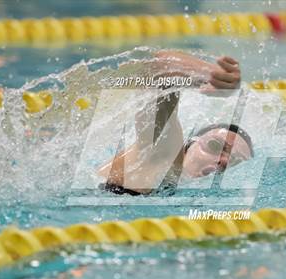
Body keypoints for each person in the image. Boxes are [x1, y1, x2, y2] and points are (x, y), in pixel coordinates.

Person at [97, 51, 254, 195]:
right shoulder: (163, 154)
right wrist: (210, 74)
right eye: (214, 146)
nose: (223, 162)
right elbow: (160, 66)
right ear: (187, 147)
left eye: (235, 162)